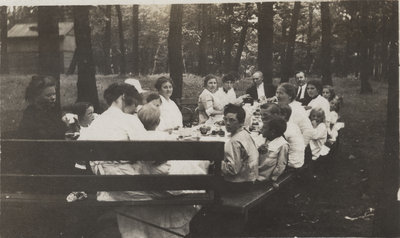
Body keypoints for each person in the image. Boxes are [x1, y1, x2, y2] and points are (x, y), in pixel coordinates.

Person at [18, 75, 67, 139]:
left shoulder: (49, 111)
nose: (53, 98)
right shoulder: (32, 114)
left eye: (54, 94)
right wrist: (65, 126)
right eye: (48, 95)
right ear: (36, 97)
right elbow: (45, 135)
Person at [221, 104, 259, 187]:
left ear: (241, 122)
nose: (227, 123)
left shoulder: (234, 141)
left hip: (240, 184)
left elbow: (233, 170)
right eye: (225, 119)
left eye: (232, 120)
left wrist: (216, 162)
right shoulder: (244, 133)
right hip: (251, 178)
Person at [257, 116, 289, 182]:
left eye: (264, 128)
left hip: (264, 178)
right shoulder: (262, 137)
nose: (261, 129)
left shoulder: (282, 145)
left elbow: (281, 165)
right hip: (253, 172)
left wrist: (273, 178)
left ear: (272, 132)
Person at [279, 104, 305, 168]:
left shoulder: (285, 128)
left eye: (275, 114)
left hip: (291, 163)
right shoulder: (293, 125)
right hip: (299, 160)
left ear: (284, 115)